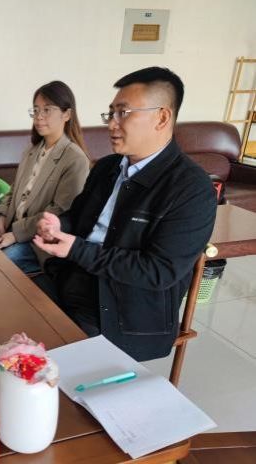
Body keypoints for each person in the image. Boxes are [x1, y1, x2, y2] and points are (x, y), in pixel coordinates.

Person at [33, 67, 217, 361]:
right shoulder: (107, 167)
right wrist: (59, 224)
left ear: (162, 117)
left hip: (121, 314)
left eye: (123, 113)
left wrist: (78, 250)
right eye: (111, 113)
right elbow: (78, 217)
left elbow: (158, 271)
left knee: (41, 367)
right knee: (4, 318)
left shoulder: (191, 189)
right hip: (71, 280)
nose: (111, 124)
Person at [0, 81, 90, 273]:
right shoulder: (32, 150)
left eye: (47, 110)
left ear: (67, 114)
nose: (39, 117)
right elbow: (13, 190)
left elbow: (57, 212)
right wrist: (1, 218)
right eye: (36, 110)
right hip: (10, 227)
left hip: (37, 241)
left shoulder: (75, 159)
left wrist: (15, 235)